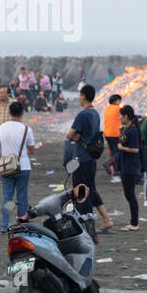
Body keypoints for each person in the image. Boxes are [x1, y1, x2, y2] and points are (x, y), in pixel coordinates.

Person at [64, 84, 113, 233]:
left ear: (83, 96)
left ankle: (83, 221)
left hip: (82, 158)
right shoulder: (95, 113)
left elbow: (69, 135)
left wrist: (77, 137)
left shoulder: (83, 114)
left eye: (80, 95)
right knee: (90, 188)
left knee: (81, 191)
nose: (79, 98)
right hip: (91, 158)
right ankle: (106, 219)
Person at [0, 101, 36, 234]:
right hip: (23, 166)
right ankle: (22, 222)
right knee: (22, 196)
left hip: (6, 166)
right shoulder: (26, 129)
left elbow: (1, 146)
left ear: (9, 112)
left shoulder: (1, 127)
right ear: (22, 113)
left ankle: (4, 225)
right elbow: (31, 150)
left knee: (7, 197)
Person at [117, 105, 143, 230]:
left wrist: (122, 148)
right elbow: (123, 139)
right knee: (128, 194)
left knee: (130, 194)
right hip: (126, 165)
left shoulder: (133, 130)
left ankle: (134, 223)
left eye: (120, 115)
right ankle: (134, 222)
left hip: (130, 166)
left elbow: (135, 149)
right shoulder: (129, 128)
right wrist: (121, 131)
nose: (119, 118)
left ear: (126, 116)